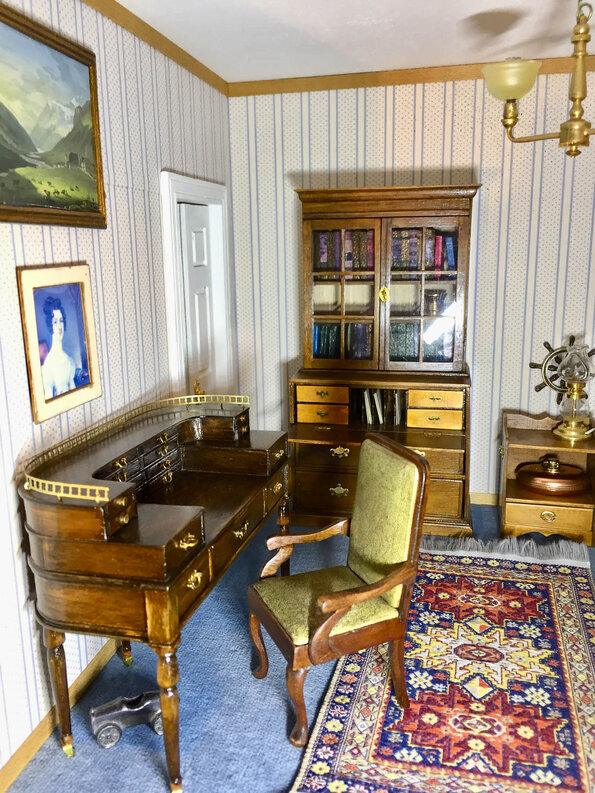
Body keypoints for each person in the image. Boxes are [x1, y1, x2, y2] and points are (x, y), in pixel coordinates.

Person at [41, 296, 76, 400]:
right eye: (55, 322)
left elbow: (74, 393)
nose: (59, 326)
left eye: (61, 320)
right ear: (50, 325)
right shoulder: (48, 365)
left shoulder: (69, 361)